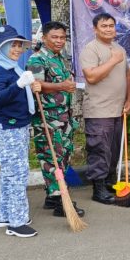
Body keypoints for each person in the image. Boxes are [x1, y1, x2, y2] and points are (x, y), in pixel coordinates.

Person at [0, 25, 41, 238]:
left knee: (10, 173)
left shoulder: (9, 65)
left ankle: (5, 215)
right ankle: (16, 223)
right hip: (6, 127)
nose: (17, 49)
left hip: (16, 125)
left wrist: (30, 87)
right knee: (17, 174)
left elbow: (16, 92)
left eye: (18, 44)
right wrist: (19, 84)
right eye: (12, 45)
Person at [26, 22, 85, 217]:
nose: (59, 41)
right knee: (52, 157)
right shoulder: (37, 59)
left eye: (62, 37)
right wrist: (61, 86)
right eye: (54, 37)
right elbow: (37, 84)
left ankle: (51, 196)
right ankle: (61, 200)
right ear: (44, 38)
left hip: (63, 116)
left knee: (64, 155)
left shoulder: (61, 58)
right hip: (47, 118)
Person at [80, 13, 130, 205]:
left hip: (118, 109)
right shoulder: (90, 49)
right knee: (99, 149)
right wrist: (112, 60)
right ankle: (98, 188)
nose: (109, 29)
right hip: (99, 110)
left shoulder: (119, 49)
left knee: (114, 149)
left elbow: (127, 76)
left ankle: (110, 181)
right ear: (95, 29)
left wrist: (128, 100)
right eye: (104, 26)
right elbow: (91, 77)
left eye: (111, 25)